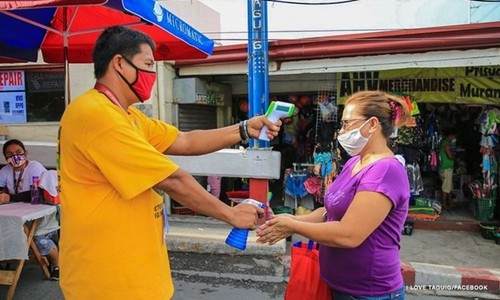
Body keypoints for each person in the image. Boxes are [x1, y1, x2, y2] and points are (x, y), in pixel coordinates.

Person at [57, 25, 281, 300]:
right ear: (119, 64)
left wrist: (245, 128)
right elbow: (173, 180)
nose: (152, 75)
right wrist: (231, 214)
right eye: (148, 64)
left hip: (138, 273)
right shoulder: (95, 115)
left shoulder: (130, 117)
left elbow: (186, 140)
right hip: (107, 281)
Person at [256, 91, 411, 300]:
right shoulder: (355, 162)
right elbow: (329, 212)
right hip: (335, 284)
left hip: (368, 292)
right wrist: (288, 219)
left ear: (373, 124)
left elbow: (349, 234)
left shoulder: (384, 170)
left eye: (347, 124)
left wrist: (293, 227)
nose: (341, 132)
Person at [0, 139, 60, 280]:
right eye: (9, 154)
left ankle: (57, 264)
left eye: (18, 152)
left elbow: (37, 193)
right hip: (18, 211)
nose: (14, 157)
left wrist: (10, 198)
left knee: (38, 238)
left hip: (42, 209)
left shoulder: (35, 167)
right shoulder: (5, 171)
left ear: (26, 153)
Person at [439, 127, 457, 209]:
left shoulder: (445, 143)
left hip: (446, 168)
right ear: (450, 136)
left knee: (449, 187)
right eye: (453, 137)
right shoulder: (446, 144)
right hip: (446, 168)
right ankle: (444, 204)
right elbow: (449, 156)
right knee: (446, 187)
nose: (454, 139)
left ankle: (451, 203)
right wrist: (455, 157)